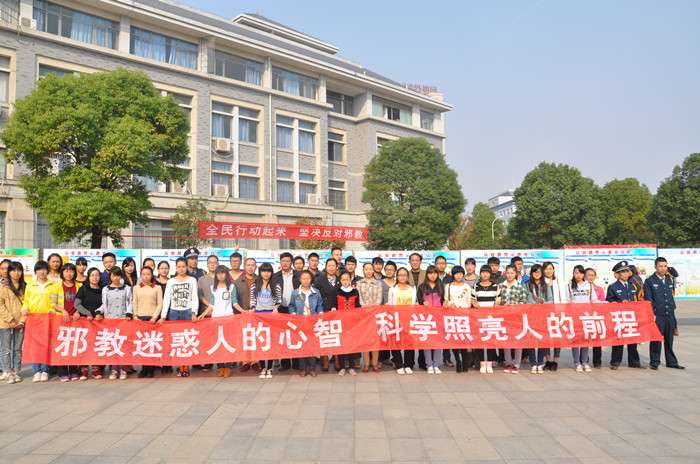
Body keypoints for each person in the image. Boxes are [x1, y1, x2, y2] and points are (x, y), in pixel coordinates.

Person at [200, 265, 243, 377]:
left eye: (222, 273)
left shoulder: (231, 287)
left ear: (226, 274)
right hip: (216, 318)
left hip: (228, 318)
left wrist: (243, 311)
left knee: (228, 342)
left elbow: (235, 303)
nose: (220, 275)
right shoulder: (212, 288)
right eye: (218, 273)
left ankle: (228, 366)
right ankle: (220, 367)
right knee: (217, 343)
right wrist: (203, 314)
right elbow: (212, 304)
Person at [159, 258, 198, 378]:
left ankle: (186, 367)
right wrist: (163, 316)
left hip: (187, 312)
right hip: (174, 313)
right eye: (179, 267)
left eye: (183, 266)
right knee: (177, 341)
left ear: (186, 267)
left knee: (187, 340)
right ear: (175, 268)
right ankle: (180, 366)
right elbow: (167, 300)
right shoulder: (171, 281)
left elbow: (194, 298)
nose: (181, 269)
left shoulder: (192, 280)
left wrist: (194, 312)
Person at [645, 257, 684, 370]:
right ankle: (655, 362)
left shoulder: (669, 279)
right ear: (655, 267)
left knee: (669, 338)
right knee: (656, 339)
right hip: (658, 314)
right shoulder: (650, 281)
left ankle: (671, 362)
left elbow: (671, 295)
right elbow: (648, 299)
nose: (663, 268)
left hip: (669, 314)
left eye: (665, 266)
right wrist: (652, 314)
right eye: (660, 266)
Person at [605, 261, 644, 370]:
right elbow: (609, 301)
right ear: (617, 274)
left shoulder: (633, 286)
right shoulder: (613, 287)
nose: (626, 274)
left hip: (631, 317)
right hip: (619, 317)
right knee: (618, 340)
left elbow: (637, 299)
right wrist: (620, 303)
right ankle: (615, 362)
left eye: (627, 271)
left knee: (633, 341)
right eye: (623, 272)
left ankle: (634, 362)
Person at [96, 267, 133, 380]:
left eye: (118, 275)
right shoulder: (105, 289)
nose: (116, 278)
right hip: (110, 321)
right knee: (112, 345)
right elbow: (104, 304)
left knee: (122, 345)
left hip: (123, 320)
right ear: (110, 277)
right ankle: (114, 368)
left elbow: (130, 303)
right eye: (113, 275)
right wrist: (98, 312)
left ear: (120, 276)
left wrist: (129, 313)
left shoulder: (126, 288)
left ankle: (122, 368)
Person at [50, 263, 82, 381]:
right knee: (62, 346)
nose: (69, 274)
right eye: (66, 271)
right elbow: (52, 303)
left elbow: (83, 301)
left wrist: (78, 311)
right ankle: (62, 372)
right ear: (62, 273)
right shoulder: (56, 286)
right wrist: (63, 311)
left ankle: (74, 371)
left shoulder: (79, 286)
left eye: (71, 271)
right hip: (61, 320)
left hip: (75, 320)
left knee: (74, 345)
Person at [288, 270, 323, 377]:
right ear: (300, 279)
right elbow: (291, 305)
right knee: (301, 345)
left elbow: (320, 304)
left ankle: (312, 367)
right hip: (300, 323)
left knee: (312, 345)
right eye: (304, 279)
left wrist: (320, 312)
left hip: (312, 322)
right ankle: (302, 367)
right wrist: (293, 313)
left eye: (308, 278)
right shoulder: (295, 293)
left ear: (311, 279)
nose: (306, 281)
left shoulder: (316, 292)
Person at [22, 260, 52, 382]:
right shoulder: (30, 285)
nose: (42, 272)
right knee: (34, 346)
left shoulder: (52, 285)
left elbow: (55, 301)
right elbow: (26, 301)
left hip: (47, 319)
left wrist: (52, 310)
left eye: (44, 269)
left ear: (47, 271)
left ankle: (45, 371)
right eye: (39, 269)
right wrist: (24, 308)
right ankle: (36, 372)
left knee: (45, 345)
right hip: (33, 319)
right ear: (35, 271)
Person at [250, 262, 281, 379]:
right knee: (261, 343)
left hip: (271, 316)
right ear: (260, 272)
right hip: (259, 317)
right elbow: (252, 300)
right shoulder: (255, 285)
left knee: (271, 342)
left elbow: (278, 300)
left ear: (271, 273)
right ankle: (263, 367)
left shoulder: (276, 285)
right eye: (263, 271)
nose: (266, 273)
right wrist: (253, 308)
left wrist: (276, 307)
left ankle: (270, 367)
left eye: (268, 271)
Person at [566, 265, 599, 373]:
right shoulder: (570, 286)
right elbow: (567, 301)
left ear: (583, 274)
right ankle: (577, 362)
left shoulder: (589, 285)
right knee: (575, 340)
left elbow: (594, 301)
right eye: (576, 273)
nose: (578, 275)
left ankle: (584, 362)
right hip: (575, 317)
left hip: (586, 317)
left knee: (585, 339)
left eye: (580, 273)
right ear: (573, 274)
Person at [443, 265, 476, 373]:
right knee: (455, 341)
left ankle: (465, 362)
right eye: (456, 274)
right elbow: (446, 300)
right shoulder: (448, 286)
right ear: (453, 275)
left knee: (464, 340)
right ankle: (457, 361)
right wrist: (450, 304)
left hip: (464, 316)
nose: (458, 276)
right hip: (452, 316)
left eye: (461, 274)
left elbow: (469, 301)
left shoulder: (467, 287)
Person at [497, 265, 528, 374]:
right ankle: (508, 363)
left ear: (516, 274)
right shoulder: (501, 286)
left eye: (512, 273)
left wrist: (513, 305)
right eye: (508, 273)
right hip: (505, 316)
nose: (509, 275)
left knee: (517, 340)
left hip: (516, 317)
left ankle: (517, 364)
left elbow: (524, 302)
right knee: (506, 340)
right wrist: (500, 303)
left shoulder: (520, 286)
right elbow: (498, 299)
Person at [133, 266, 163, 378]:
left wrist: (155, 316)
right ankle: (143, 368)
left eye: (148, 274)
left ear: (152, 275)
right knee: (142, 345)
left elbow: (160, 303)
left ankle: (151, 368)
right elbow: (134, 302)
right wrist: (135, 316)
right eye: (144, 274)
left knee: (151, 344)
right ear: (141, 275)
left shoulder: (157, 287)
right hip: (140, 319)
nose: (146, 276)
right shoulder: (136, 288)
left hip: (152, 319)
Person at [75, 267, 105, 379]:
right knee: (84, 345)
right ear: (88, 277)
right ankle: (84, 369)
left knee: (97, 345)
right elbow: (77, 304)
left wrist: (98, 314)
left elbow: (104, 305)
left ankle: (96, 369)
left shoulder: (103, 290)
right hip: (85, 321)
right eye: (92, 275)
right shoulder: (83, 289)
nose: (95, 277)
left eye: (97, 275)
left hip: (98, 321)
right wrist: (87, 313)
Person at [273, 252, 300, 371]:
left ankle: (297, 362)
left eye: (287, 261)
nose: (285, 263)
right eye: (283, 261)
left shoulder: (298, 275)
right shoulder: (275, 276)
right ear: (280, 262)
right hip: (281, 309)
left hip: (296, 309)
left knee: (296, 335)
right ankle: (285, 363)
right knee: (283, 336)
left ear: (291, 262)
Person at [0, 262, 27, 384]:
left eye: (19, 270)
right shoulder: (3, 287)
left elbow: (28, 304)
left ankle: (16, 371)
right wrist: (10, 319)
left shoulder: (25, 286)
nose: (16, 273)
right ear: (9, 272)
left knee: (18, 349)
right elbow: (1, 305)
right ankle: (7, 372)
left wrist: (22, 320)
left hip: (20, 322)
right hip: (5, 322)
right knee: (6, 349)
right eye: (13, 270)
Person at [388, 267, 417, 375]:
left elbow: (414, 303)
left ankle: (408, 365)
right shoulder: (392, 289)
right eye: (400, 275)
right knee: (396, 343)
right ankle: (398, 364)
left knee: (409, 342)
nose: (403, 277)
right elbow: (390, 305)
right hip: (396, 320)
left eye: (405, 275)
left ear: (407, 276)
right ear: (397, 276)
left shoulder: (413, 289)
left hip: (409, 319)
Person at [525, 264, 553, 374]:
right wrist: (529, 305)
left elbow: (550, 299)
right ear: (531, 273)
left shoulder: (546, 285)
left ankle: (540, 363)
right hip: (530, 316)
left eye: (539, 272)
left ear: (542, 273)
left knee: (542, 340)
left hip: (542, 316)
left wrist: (545, 304)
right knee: (531, 340)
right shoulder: (527, 285)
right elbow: (524, 299)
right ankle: (533, 363)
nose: (537, 274)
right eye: (535, 272)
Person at [417, 265, 444, 374]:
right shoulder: (421, 287)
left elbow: (443, 300)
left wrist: (446, 302)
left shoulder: (440, 286)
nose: (433, 275)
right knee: (427, 342)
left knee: (437, 342)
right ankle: (429, 365)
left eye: (435, 273)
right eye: (430, 273)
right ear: (427, 274)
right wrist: (423, 302)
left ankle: (436, 365)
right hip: (426, 318)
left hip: (438, 318)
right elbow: (419, 300)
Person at [234, 258, 260, 373]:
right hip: (243, 313)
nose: (250, 267)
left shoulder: (260, 280)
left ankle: (255, 362)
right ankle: (245, 362)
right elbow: (234, 299)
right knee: (244, 338)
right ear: (244, 267)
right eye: (248, 265)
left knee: (256, 337)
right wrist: (241, 311)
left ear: (256, 267)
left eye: (252, 265)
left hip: (256, 314)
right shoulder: (238, 282)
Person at [356, 262, 383, 373]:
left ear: (373, 270)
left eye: (370, 269)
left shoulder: (378, 283)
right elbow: (359, 298)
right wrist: (365, 309)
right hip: (363, 316)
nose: (368, 271)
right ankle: (366, 364)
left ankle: (374, 363)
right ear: (363, 270)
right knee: (365, 341)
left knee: (375, 341)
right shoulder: (359, 283)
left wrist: (372, 310)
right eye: (366, 269)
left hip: (375, 315)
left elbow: (379, 299)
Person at [315, 258, 339, 372]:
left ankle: (337, 360)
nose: (331, 268)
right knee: (324, 337)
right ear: (326, 266)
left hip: (337, 312)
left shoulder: (340, 279)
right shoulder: (320, 280)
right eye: (329, 265)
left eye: (333, 266)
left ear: (337, 267)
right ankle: (325, 361)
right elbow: (317, 296)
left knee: (336, 337)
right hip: (323, 311)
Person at [474, 265, 499, 373]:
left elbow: (498, 299)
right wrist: (474, 303)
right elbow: (473, 299)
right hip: (479, 318)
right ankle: (482, 363)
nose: (485, 274)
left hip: (491, 318)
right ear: (480, 273)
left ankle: (489, 363)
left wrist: (497, 304)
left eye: (487, 272)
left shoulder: (495, 286)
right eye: (483, 272)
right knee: (480, 341)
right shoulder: (476, 286)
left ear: (490, 274)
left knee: (490, 341)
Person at [336, 270, 361, 376]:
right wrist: (333, 308)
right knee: (341, 345)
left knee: (352, 345)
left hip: (352, 322)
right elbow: (334, 304)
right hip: (340, 322)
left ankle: (351, 367)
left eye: (347, 279)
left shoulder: (355, 291)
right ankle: (342, 367)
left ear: (351, 280)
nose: (345, 281)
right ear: (340, 280)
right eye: (343, 280)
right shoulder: (337, 290)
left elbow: (358, 306)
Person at [542, 261, 563, 370]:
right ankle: (548, 360)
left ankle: (555, 361)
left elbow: (563, 297)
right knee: (546, 337)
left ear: (553, 270)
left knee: (557, 337)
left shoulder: (559, 282)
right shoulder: (541, 282)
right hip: (545, 313)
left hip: (558, 312)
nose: (548, 271)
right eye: (546, 269)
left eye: (550, 269)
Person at [585, 268, 606, 368]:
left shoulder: (599, 289)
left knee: (597, 340)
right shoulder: (581, 288)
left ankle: (597, 361)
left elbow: (602, 303)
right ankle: (584, 360)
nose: (590, 277)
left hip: (596, 316)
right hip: (584, 316)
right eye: (588, 275)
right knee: (584, 339)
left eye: (592, 275)